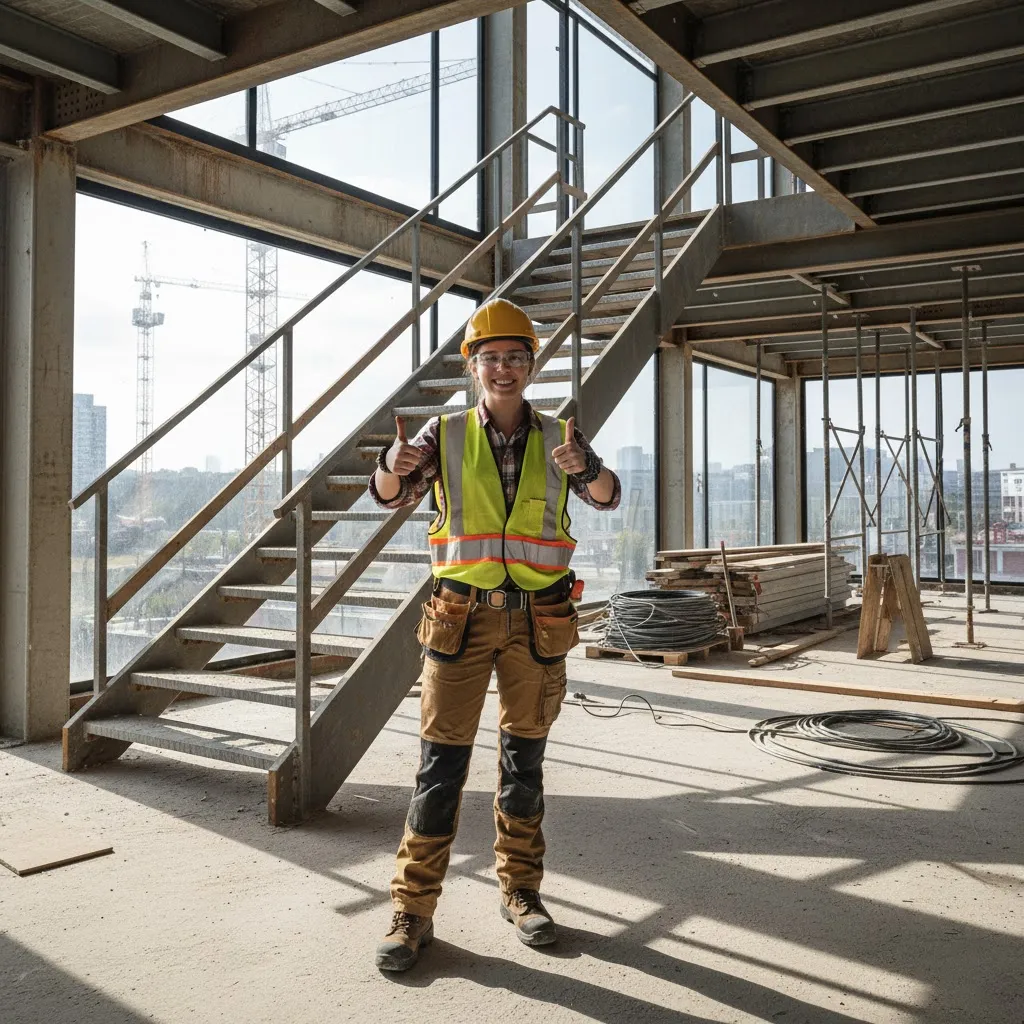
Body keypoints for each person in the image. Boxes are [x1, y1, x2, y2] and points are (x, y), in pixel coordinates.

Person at [369, 298, 620, 972]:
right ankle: (413, 910)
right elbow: (390, 493)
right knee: (440, 768)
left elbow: (606, 495)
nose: (502, 368)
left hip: (539, 623)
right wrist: (392, 461)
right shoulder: (444, 434)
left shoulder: (561, 435)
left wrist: (585, 465)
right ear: (473, 367)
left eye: (514, 357)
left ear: (530, 365)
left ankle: (521, 892)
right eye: (490, 358)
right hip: (461, 618)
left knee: (522, 765)